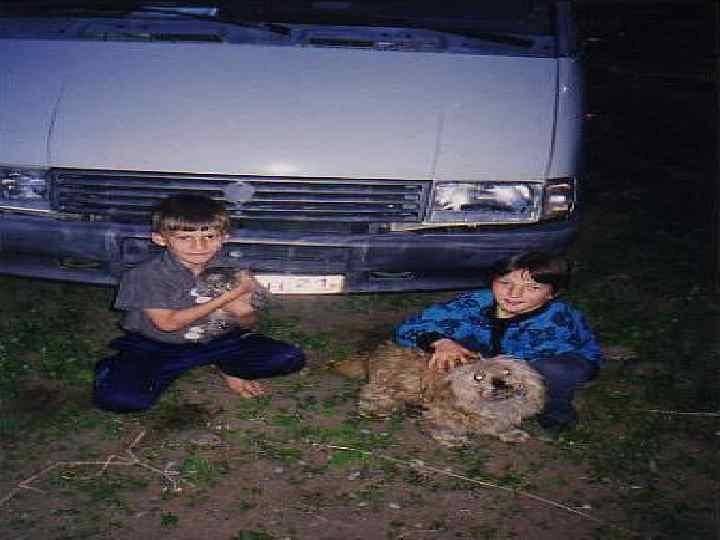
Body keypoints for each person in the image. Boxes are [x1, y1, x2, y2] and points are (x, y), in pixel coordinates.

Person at [93, 194, 305, 413]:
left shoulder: (232, 271)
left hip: (218, 339)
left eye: (210, 236)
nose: (199, 246)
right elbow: (168, 324)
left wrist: (245, 314)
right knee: (120, 400)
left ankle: (227, 367)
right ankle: (117, 368)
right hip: (159, 345)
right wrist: (227, 298)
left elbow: (249, 324)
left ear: (224, 237)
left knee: (289, 357)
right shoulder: (145, 275)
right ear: (160, 239)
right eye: (185, 238)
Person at [395, 251, 604, 433]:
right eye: (505, 283)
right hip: (494, 354)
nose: (514, 294)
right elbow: (409, 328)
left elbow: (517, 365)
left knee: (555, 372)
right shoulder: (478, 301)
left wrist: (477, 365)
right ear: (492, 281)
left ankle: (556, 408)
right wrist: (440, 341)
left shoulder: (557, 320)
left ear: (552, 293)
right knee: (448, 347)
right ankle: (450, 399)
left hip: (552, 359)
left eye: (532, 287)